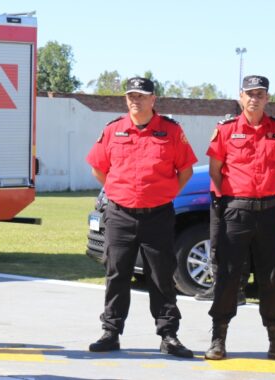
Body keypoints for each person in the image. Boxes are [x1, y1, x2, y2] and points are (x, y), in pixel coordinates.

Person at [85, 77, 195, 358]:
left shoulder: (171, 131)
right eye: (131, 96)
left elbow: (185, 171)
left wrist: (165, 194)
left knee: (161, 277)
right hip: (120, 214)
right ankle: (111, 332)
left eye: (141, 96)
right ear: (126, 100)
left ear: (152, 99)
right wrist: (116, 189)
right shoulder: (113, 130)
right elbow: (99, 168)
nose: (136, 100)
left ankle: (168, 334)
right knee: (117, 274)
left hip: (157, 215)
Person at [204, 75, 275, 362]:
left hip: (269, 211)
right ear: (241, 97)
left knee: (271, 277)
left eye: (260, 94)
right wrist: (229, 200)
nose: (254, 98)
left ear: (267, 98)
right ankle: (218, 339)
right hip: (235, 211)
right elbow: (216, 170)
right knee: (227, 276)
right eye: (249, 93)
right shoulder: (226, 130)